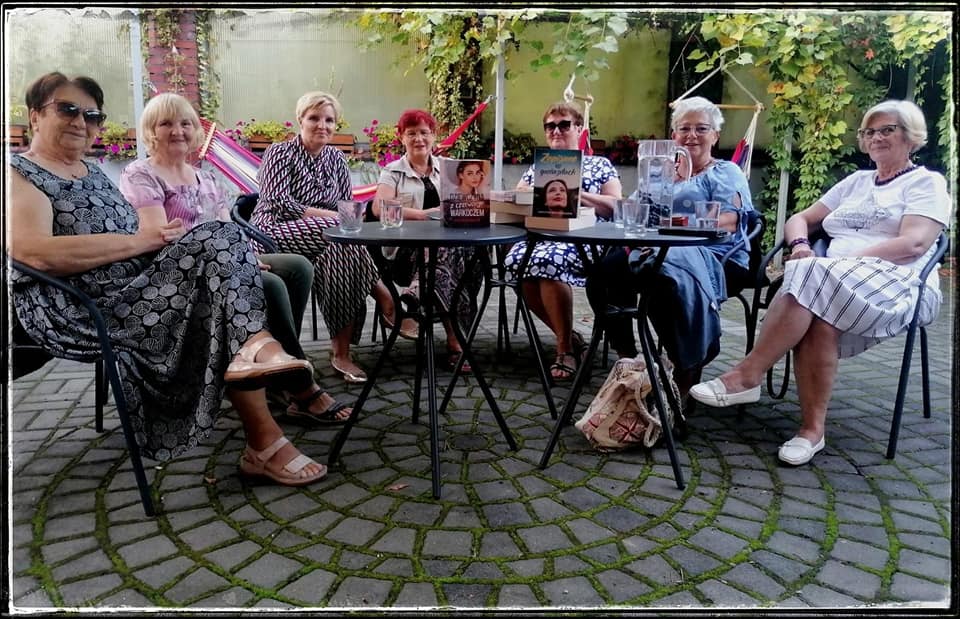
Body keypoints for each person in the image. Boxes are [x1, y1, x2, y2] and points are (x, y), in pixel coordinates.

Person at [9, 72, 327, 486]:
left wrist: (162, 248)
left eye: (91, 114)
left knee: (222, 260)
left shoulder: (91, 172)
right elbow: (33, 252)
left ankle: (263, 415)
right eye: (67, 109)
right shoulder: (20, 174)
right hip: (80, 304)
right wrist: (139, 244)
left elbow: (146, 239)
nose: (80, 121)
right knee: (218, 270)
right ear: (35, 117)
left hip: (136, 287)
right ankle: (266, 407)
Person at [690, 99, 949, 466]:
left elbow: (915, 244)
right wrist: (799, 246)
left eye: (887, 129)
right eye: (869, 131)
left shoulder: (927, 183)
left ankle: (748, 376)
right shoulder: (856, 182)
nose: (876, 137)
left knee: (814, 279)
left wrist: (837, 262)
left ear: (911, 136)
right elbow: (800, 219)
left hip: (898, 281)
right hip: (832, 280)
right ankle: (811, 431)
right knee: (819, 305)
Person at [119, 92, 350, 424]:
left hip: (223, 261)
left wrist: (242, 255)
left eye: (186, 123)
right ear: (151, 130)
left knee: (298, 268)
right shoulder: (141, 174)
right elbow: (162, 235)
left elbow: (228, 227)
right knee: (270, 285)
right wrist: (231, 256)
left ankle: (278, 364)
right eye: (166, 123)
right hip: (176, 271)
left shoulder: (205, 177)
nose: (178, 131)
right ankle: (299, 386)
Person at [585, 96, 756, 398]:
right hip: (655, 253)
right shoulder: (659, 175)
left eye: (701, 128)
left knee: (665, 284)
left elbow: (731, 221)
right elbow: (630, 208)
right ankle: (632, 359)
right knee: (602, 274)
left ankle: (685, 374)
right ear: (673, 135)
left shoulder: (726, 172)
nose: (691, 136)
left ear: (715, 135)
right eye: (684, 129)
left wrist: (675, 224)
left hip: (718, 258)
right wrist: (583, 197)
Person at [251, 90, 412, 384]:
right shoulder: (279, 153)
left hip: (327, 239)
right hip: (272, 231)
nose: (322, 125)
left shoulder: (337, 158)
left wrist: (340, 220)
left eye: (329, 120)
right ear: (300, 119)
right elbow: (278, 203)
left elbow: (345, 204)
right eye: (314, 118)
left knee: (340, 251)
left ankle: (340, 353)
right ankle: (386, 297)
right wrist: (331, 218)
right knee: (340, 235)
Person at [502, 101, 623, 380]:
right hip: (543, 236)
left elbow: (616, 206)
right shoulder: (539, 166)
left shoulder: (599, 164)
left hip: (587, 240)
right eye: (550, 126)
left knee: (545, 262)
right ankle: (570, 338)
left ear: (579, 128)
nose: (556, 130)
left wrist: (576, 193)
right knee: (517, 262)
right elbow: (519, 198)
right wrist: (525, 193)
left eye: (564, 124)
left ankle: (565, 349)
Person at [372, 109, 483, 372]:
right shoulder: (393, 172)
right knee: (443, 252)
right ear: (401, 137)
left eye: (424, 132)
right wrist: (422, 215)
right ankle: (457, 343)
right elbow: (379, 207)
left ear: (434, 136)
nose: (419, 138)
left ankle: (416, 295)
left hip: (449, 254)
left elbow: (468, 203)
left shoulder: (450, 170)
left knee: (463, 255)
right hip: (405, 255)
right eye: (412, 133)